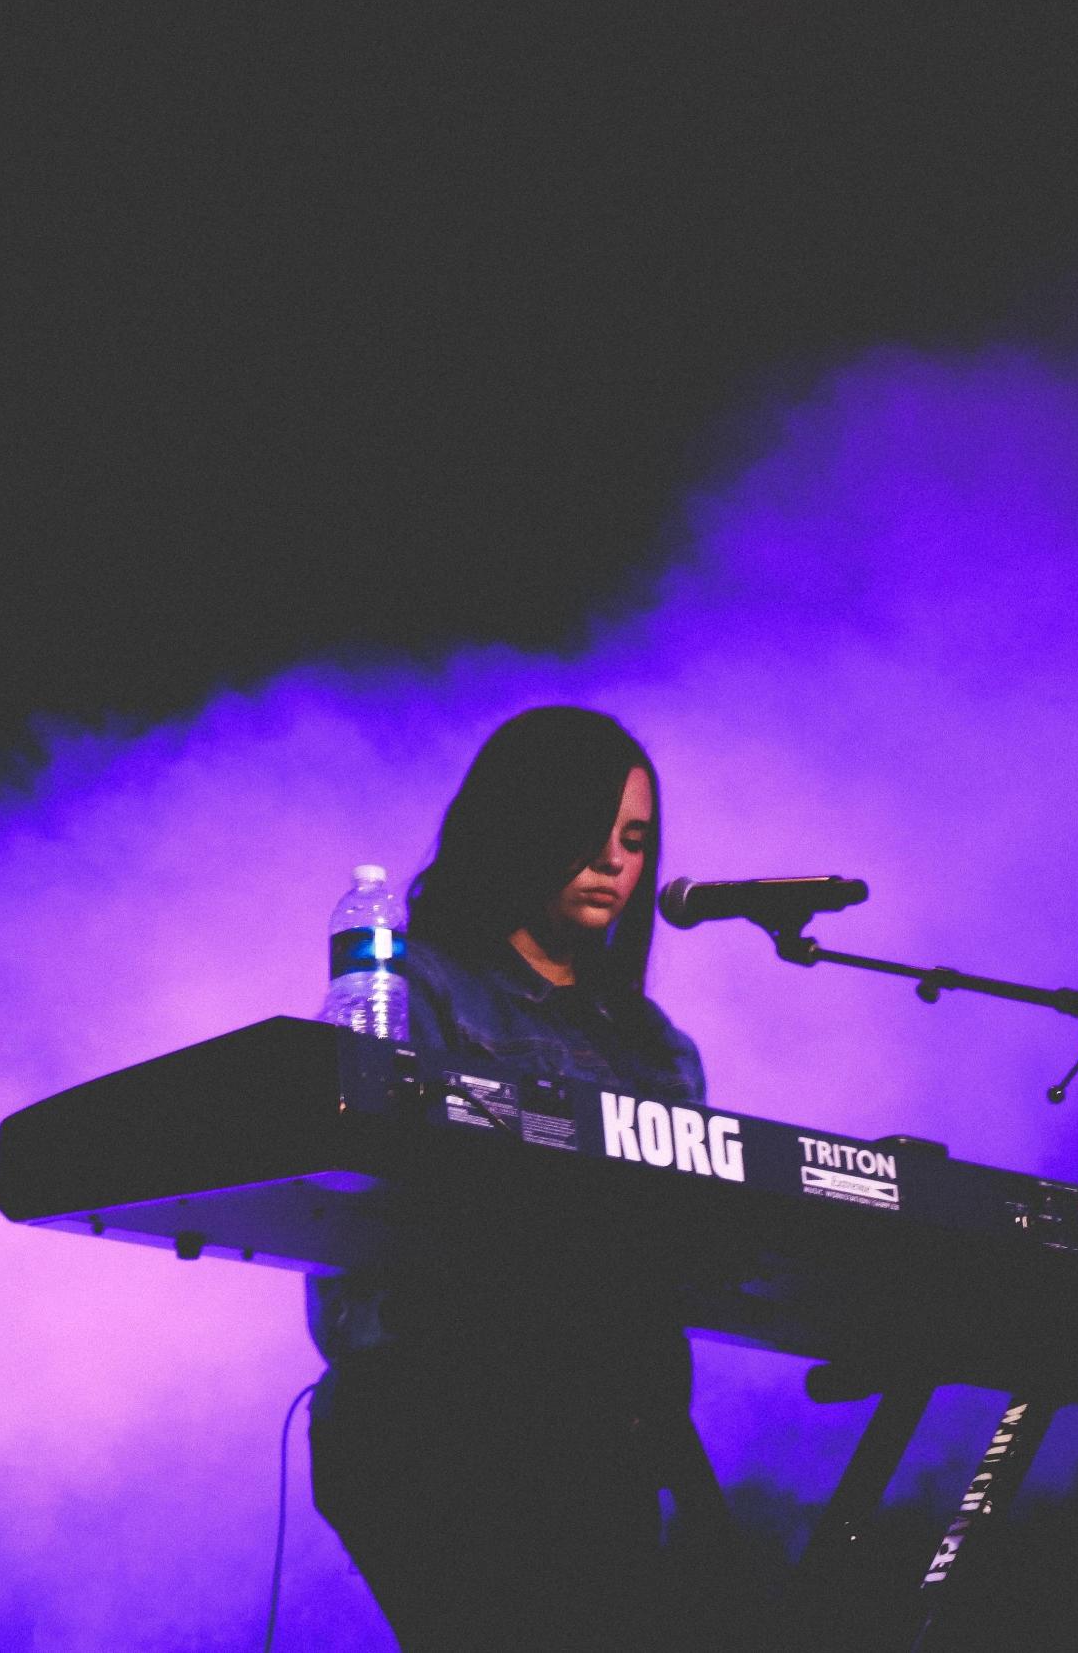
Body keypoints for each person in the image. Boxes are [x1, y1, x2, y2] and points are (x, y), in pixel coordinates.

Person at [306, 706, 725, 1651]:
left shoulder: (656, 1044)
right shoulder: (416, 990)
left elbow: (686, 1241)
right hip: (442, 1422)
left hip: (613, 1427)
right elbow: (359, 1236)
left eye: (635, 840)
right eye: (589, 832)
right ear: (518, 825)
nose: (616, 862)